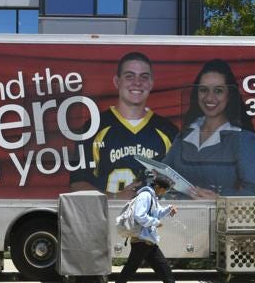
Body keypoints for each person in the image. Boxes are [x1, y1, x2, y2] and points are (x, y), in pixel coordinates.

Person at [70, 51, 178, 199]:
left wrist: (158, 187)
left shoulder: (167, 130)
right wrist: (114, 198)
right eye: (129, 76)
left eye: (144, 77)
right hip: (109, 213)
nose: (137, 83)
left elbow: (178, 184)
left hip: (152, 212)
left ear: (151, 83)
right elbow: (77, 184)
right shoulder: (95, 126)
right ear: (117, 81)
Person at [162, 59, 255, 199]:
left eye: (218, 91)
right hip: (180, 212)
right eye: (203, 90)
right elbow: (162, 179)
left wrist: (219, 198)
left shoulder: (243, 139)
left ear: (229, 95)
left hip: (218, 213)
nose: (209, 98)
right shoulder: (184, 135)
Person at [105, 173, 196, 283]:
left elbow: (156, 213)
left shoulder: (152, 197)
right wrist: (155, 222)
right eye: (164, 189)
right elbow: (139, 215)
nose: (164, 192)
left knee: (165, 270)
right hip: (141, 241)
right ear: (158, 186)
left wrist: (168, 209)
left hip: (148, 242)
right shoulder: (145, 196)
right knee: (128, 272)